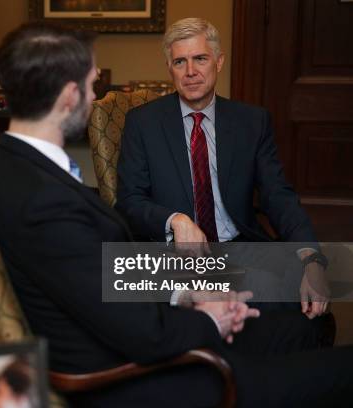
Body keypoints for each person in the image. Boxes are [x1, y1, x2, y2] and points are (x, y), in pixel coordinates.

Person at [0, 21, 353, 407]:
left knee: (307, 325)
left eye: (200, 59)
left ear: (218, 62)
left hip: (156, 309)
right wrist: (207, 314)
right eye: (93, 85)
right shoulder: (46, 200)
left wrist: (184, 293)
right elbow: (138, 325)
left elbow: (96, 274)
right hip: (155, 370)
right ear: (70, 95)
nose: (96, 98)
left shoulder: (15, 174)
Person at [115, 17, 329, 319]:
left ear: (219, 61)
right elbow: (128, 202)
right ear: (170, 68)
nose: (190, 72)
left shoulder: (252, 122)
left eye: (200, 59)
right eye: (180, 62)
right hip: (176, 256)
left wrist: (312, 258)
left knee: (304, 294)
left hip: (239, 245)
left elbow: (278, 196)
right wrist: (174, 220)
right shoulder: (143, 123)